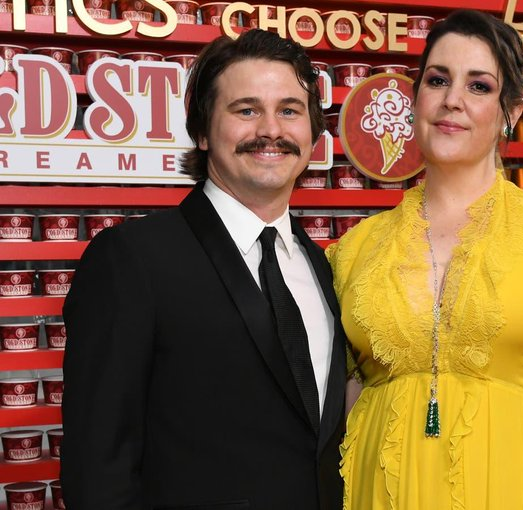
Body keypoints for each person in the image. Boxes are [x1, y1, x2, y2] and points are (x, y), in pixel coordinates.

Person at [327, 9, 523, 510]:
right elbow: (348, 405)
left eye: (479, 86)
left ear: (511, 111)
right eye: (437, 80)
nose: (452, 100)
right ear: (415, 99)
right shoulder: (356, 250)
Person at [61, 29, 346, 510]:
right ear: (201, 130)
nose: (271, 129)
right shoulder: (132, 258)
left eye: (290, 110)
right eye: (246, 110)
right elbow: (97, 467)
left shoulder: (320, 264)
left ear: (314, 136)